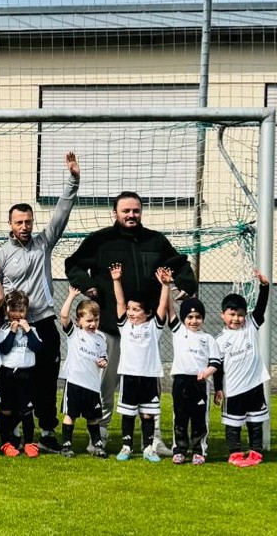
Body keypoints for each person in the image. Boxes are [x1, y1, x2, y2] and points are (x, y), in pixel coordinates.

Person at [65, 189, 198, 450]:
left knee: (148, 384)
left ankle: (154, 438)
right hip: (110, 328)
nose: (131, 215)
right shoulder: (100, 240)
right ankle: (100, 434)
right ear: (115, 213)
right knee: (105, 384)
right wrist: (87, 285)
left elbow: (180, 264)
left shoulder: (155, 241)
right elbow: (73, 264)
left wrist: (186, 284)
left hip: (145, 332)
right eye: (125, 210)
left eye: (136, 210)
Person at [0, 151, 79, 454]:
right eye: (19, 222)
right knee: (15, 378)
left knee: (46, 380)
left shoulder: (43, 244)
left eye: (28, 221)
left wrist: (73, 180)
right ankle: (12, 433)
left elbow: (61, 215)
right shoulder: (0, 255)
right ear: (10, 223)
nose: (24, 226)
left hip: (43, 322)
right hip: (14, 327)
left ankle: (48, 432)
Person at [110, 264, 171, 462]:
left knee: (147, 415)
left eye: (136, 310)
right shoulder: (125, 326)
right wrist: (116, 281)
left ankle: (148, 448)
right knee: (128, 414)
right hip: (129, 376)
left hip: (149, 377)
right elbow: (120, 302)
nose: (131, 313)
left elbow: (162, 305)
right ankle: (126, 447)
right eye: (130, 309)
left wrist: (166, 285)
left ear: (147, 312)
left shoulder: (154, 327)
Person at [216, 271, 271, 467]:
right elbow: (217, 367)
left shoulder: (250, 327)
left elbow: (261, 308)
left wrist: (264, 287)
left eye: (240, 314)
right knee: (233, 424)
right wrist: (218, 388)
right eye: (232, 314)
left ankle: (255, 452)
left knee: (255, 422)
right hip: (233, 389)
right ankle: (235, 453)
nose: (236, 318)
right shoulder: (219, 341)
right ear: (223, 315)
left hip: (254, 385)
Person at [168, 296, 222, 465]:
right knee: (180, 417)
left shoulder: (208, 338)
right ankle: (180, 450)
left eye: (198, 317)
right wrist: (166, 286)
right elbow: (170, 309)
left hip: (199, 383)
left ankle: (199, 451)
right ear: (183, 318)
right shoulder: (178, 331)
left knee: (199, 419)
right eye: (189, 317)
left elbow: (216, 362)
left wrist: (207, 373)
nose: (194, 321)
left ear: (203, 319)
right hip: (180, 381)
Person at [58, 289, 110, 458]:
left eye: (96, 320)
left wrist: (103, 362)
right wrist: (71, 296)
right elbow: (63, 316)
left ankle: (97, 445)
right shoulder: (74, 334)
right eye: (88, 321)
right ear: (78, 321)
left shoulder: (101, 339)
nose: (93, 324)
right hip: (75, 382)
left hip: (92, 385)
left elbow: (103, 357)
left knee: (93, 418)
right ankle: (67, 445)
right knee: (70, 415)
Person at [0, 290, 44, 458]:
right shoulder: (3, 329)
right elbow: (4, 349)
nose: (17, 314)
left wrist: (28, 330)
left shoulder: (32, 329)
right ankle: (6, 443)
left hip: (27, 374)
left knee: (26, 410)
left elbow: (37, 347)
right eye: (13, 310)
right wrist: (13, 332)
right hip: (7, 374)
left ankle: (29, 443)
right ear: (6, 311)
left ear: (26, 311)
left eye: (21, 310)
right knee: (7, 409)